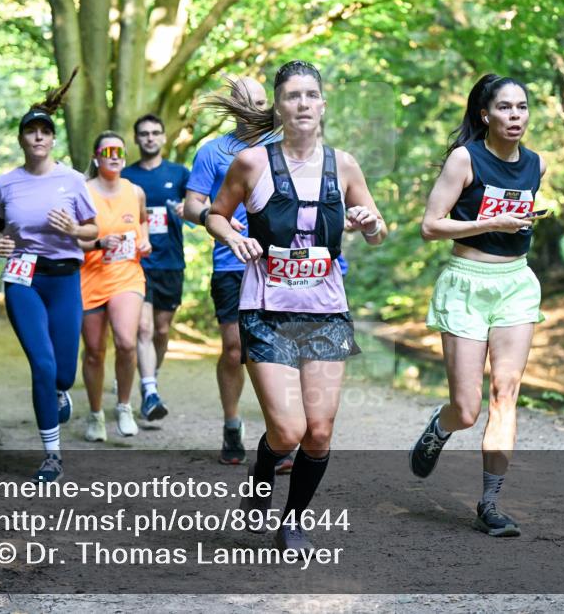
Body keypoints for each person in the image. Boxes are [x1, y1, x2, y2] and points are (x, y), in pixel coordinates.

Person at [204, 60, 387, 551]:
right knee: (286, 431)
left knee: (320, 432)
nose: (302, 104)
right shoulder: (252, 164)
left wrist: (369, 221)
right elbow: (215, 215)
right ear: (279, 107)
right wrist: (232, 236)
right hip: (266, 308)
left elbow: (377, 231)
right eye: (292, 96)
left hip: (325, 310)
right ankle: (260, 483)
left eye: (311, 95)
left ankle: (293, 520)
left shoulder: (343, 164)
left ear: (323, 104)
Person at [408, 74, 546, 539]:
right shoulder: (465, 160)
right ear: (485, 114)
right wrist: (490, 222)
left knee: (505, 394)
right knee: (467, 408)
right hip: (466, 283)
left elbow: (516, 222)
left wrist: (520, 223)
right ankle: (440, 428)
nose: (515, 116)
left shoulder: (536, 165)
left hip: (516, 284)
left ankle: (490, 503)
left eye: (522, 107)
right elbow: (430, 226)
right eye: (505, 108)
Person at [0, 68, 98, 482]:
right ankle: (52, 453)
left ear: (52, 139)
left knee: (64, 371)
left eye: (43, 132)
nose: (37, 137)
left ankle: (59, 391)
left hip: (64, 278)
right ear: (21, 139)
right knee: (43, 364)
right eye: (30, 131)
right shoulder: (6, 183)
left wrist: (74, 230)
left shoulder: (71, 180)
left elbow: (94, 230)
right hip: (22, 279)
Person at [184, 77, 293, 472]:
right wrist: (222, 225)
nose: (256, 109)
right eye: (247, 102)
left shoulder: (283, 147)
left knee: (274, 352)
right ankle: (232, 424)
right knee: (235, 349)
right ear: (233, 105)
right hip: (231, 263)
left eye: (262, 102)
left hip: (279, 263)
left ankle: (279, 435)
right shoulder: (212, 152)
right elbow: (190, 204)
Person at [79, 131, 151, 441]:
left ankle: (124, 406)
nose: (114, 155)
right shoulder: (82, 192)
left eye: (119, 150)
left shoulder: (135, 192)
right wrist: (97, 242)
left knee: (125, 341)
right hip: (89, 274)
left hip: (126, 274)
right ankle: (95, 415)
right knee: (94, 350)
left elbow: (144, 221)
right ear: (96, 157)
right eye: (107, 150)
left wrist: (145, 240)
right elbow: (71, 239)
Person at [120, 114, 190, 422]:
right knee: (144, 328)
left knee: (161, 330)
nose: (149, 138)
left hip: (171, 262)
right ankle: (149, 391)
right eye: (144, 133)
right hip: (137, 262)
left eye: (155, 133)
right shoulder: (124, 177)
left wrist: (188, 210)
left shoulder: (179, 173)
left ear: (163, 138)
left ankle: (152, 374)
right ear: (136, 139)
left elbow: (202, 209)